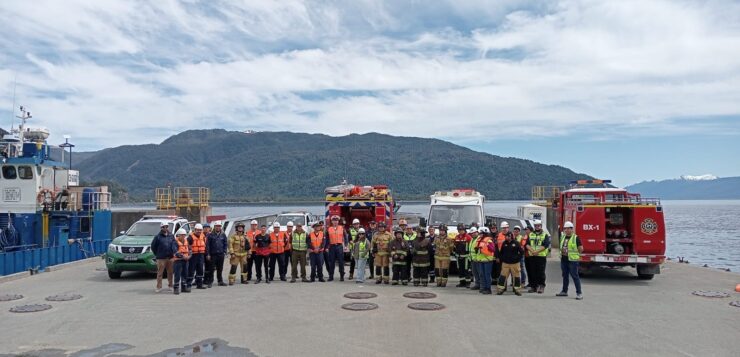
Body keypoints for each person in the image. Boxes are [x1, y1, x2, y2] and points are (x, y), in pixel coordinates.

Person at [557, 221, 583, 300]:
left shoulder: (576, 238)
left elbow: (581, 249)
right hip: (564, 259)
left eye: (569, 229)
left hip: (573, 260)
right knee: (565, 276)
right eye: (565, 229)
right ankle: (564, 291)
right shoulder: (563, 237)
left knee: (575, 276)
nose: (567, 230)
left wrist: (575, 254)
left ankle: (579, 293)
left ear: (572, 229)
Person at [496, 228, 524, 296]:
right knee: (502, 277)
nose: (507, 237)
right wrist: (501, 258)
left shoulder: (516, 243)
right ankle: (500, 289)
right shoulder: (504, 243)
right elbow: (501, 252)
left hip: (515, 263)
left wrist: (517, 259)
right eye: (506, 236)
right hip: (505, 263)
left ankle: (517, 290)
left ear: (511, 236)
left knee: (516, 277)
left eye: (508, 236)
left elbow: (521, 252)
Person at [527, 220, 551, 294]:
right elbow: (527, 244)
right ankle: (534, 286)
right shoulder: (531, 234)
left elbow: (546, 245)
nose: (537, 227)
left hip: (541, 256)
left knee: (541, 272)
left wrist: (536, 252)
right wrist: (532, 251)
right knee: (533, 272)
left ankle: (541, 286)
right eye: (536, 226)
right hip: (532, 256)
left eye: (538, 225)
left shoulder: (545, 235)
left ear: (541, 226)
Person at [151, 223, 175, 293]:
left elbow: (174, 245)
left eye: (166, 227)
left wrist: (173, 254)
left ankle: (170, 286)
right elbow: (153, 247)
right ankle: (159, 287)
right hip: (161, 258)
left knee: (170, 272)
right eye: (163, 227)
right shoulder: (157, 237)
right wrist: (158, 254)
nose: (165, 228)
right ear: (161, 228)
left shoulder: (171, 236)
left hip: (170, 257)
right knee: (160, 273)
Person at [472, 227, 495, 294]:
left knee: (487, 275)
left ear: (485, 233)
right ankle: (483, 287)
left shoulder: (489, 240)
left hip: (487, 261)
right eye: (479, 233)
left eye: (481, 233)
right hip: (481, 260)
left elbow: (493, 249)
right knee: (482, 275)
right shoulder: (479, 240)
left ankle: (488, 289)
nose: (480, 234)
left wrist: (487, 247)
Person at [206, 221, 228, 287]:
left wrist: (224, 251)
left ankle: (220, 281)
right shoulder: (210, 235)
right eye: (217, 226)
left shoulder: (223, 234)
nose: (218, 227)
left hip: (221, 254)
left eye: (219, 226)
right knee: (211, 269)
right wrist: (208, 254)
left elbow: (225, 243)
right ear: (214, 227)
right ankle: (210, 281)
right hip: (213, 255)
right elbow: (207, 245)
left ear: (221, 227)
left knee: (220, 268)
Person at [326, 215, 347, 282]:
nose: (335, 222)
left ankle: (341, 276)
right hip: (332, 247)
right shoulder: (329, 229)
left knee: (341, 262)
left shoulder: (342, 228)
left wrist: (346, 245)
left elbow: (345, 237)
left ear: (338, 221)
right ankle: (331, 276)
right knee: (331, 262)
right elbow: (327, 239)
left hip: (339, 246)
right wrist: (326, 247)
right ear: (332, 221)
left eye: (336, 220)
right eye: (334, 220)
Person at [187, 224, 208, 290]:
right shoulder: (190, 237)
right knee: (191, 271)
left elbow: (205, 245)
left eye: (200, 230)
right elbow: (187, 246)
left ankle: (199, 284)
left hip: (201, 255)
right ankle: (188, 285)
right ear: (195, 230)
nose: (199, 231)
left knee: (200, 270)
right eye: (198, 230)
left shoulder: (203, 236)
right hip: (193, 255)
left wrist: (206, 254)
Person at [173, 228, 191, 294]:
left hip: (186, 261)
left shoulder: (186, 241)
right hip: (178, 261)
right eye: (182, 235)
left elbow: (190, 250)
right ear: (178, 235)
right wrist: (184, 256)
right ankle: (176, 288)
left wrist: (189, 256)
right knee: (177, 275)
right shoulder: (175, 242)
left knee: (185, 274)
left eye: (184, 235)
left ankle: (184, 287)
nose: (183, 236)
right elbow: (175, 252)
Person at [454, 223, 472, 287]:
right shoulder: (457, 237)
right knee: (460, 270)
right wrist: (455, 253)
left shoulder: (468, 237)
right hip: (458, 257)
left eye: (461, 229)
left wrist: (470, 256)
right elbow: (454, 246)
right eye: (459, 230)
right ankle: (462, 282)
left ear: (464, 229)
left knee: (466, 270)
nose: (460, 231)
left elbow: (471, 247)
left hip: (466, 257)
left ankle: (468, 283)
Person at [494, 222, 511, 288]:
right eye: (503, 228)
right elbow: (496, 247)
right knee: (501, 272)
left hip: (509, 257)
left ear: (508, 228)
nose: (505, 229)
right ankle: (502, 286)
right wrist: (497, 257)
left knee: (509, 272)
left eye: (506, 228)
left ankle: (513, 287)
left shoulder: (511, 235)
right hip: (501, 256)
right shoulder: (498, 236)